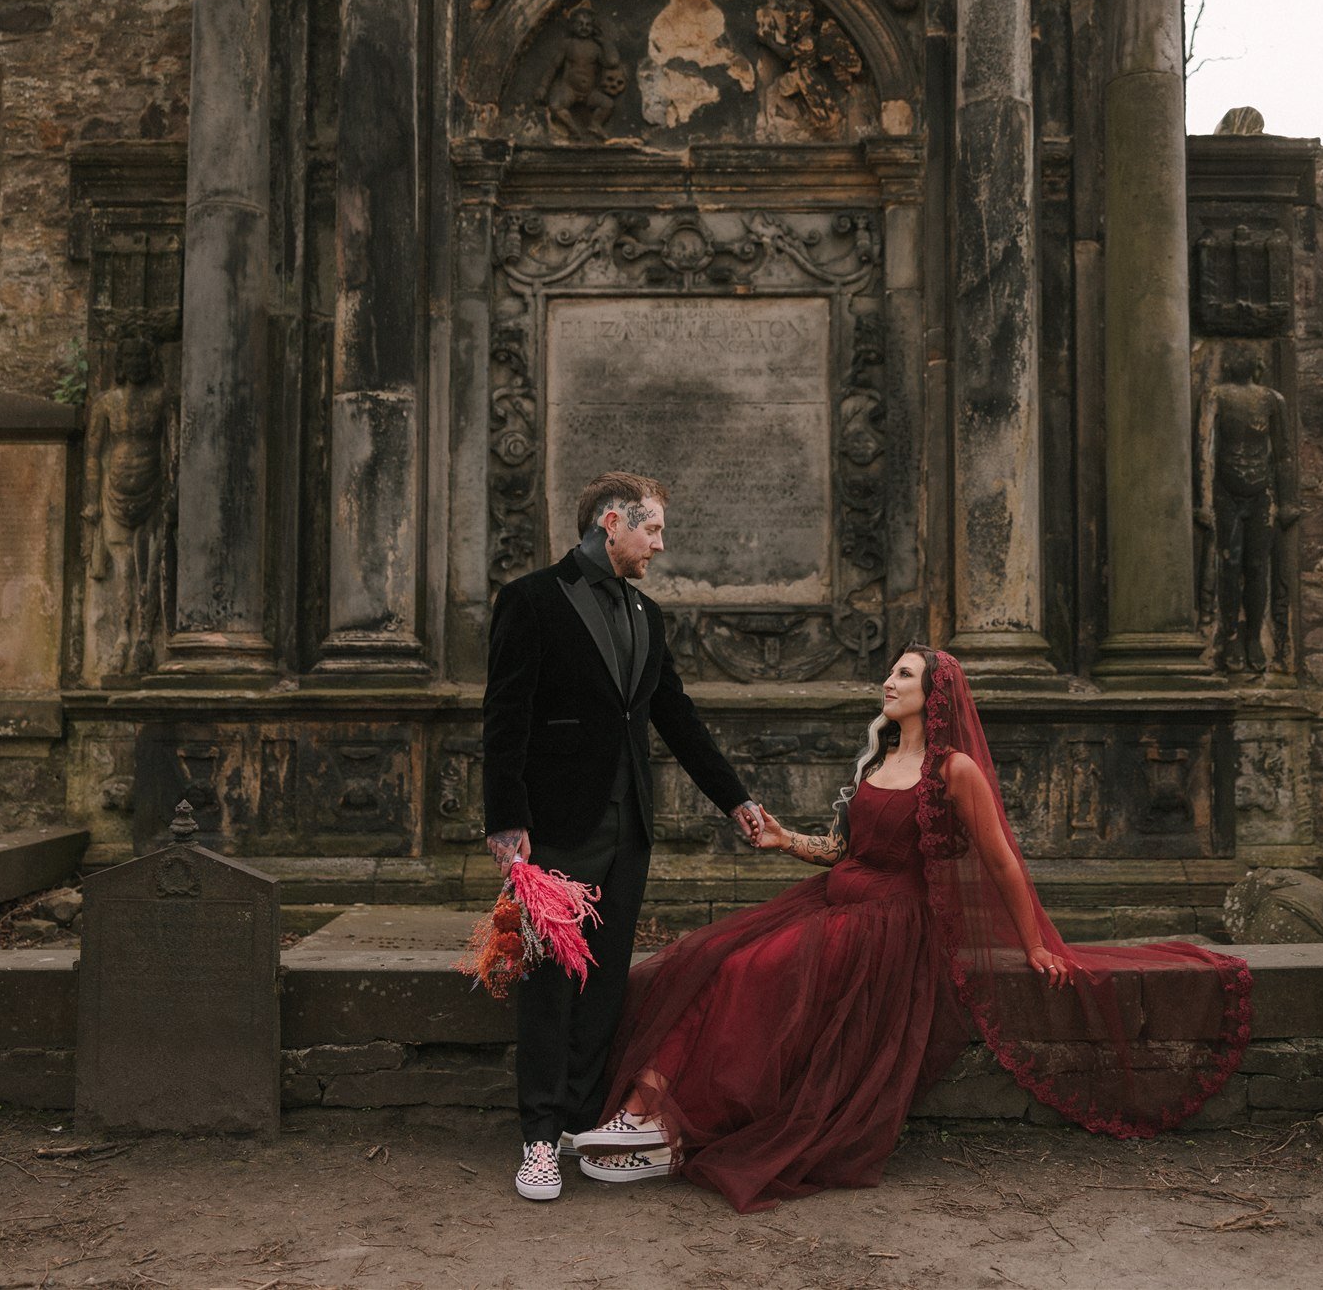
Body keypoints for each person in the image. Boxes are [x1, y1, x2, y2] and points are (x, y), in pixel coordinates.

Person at [571, 647, 1253, 1212]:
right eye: (891, 673)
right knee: (717, 957)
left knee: (756, 970)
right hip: (831, 898)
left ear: (934, 694)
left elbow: (1003, 863)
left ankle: (663, 1125)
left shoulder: (953, 771)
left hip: (887, 923)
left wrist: (1037, 941)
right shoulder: (876, 759)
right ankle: (644, 1113)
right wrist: (786, 841)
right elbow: (847, 848)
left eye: (903, 674)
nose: (888, 682)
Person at [482, 471, 765, 1201]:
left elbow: (677, 717)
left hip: (628, 829)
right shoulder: (531, 600)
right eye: (653, 530)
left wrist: (734, 799)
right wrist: (506, 820)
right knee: (548, 984)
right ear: (612, 522)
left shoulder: (648, 613)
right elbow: (504, 717)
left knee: (604, 982)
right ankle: (539, 1140)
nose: (660, 545)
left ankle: (578, 1119)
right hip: (556, 830)